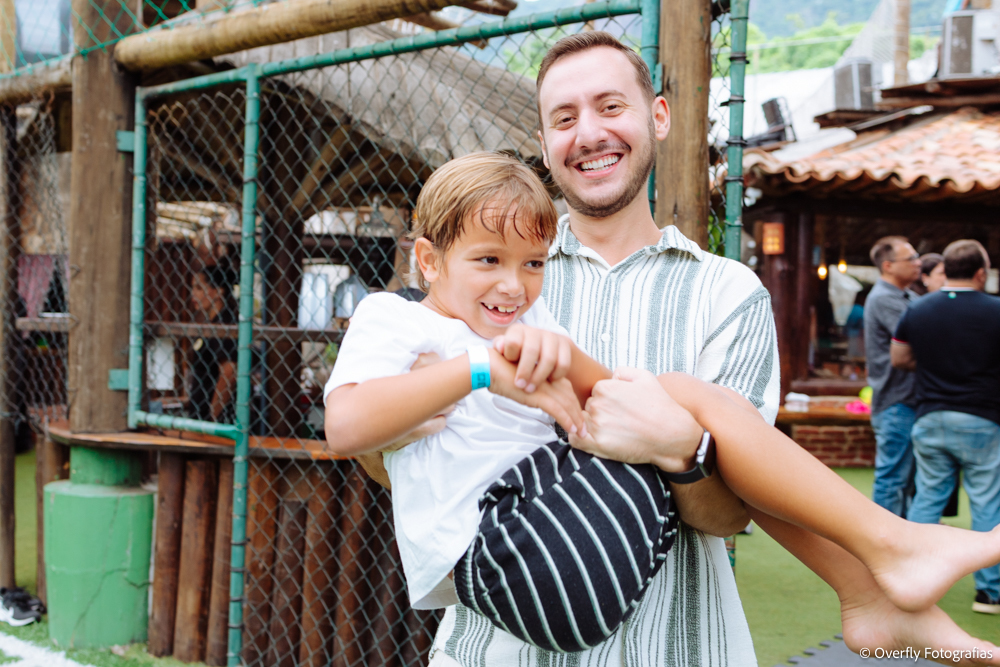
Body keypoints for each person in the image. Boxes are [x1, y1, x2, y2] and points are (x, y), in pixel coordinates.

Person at [352, 32, 1000, 667]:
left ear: (657, 116)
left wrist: (681, 451)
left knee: (689, 416)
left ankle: (873, 580)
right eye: (564, 117)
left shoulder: (728, 292)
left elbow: (728, 513)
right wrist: (415, 419)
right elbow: (378, 451)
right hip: (502, 632)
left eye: (611, 106)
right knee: (684, 401)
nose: (589, 133)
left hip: (677, 644)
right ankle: (882, 559)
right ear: (544, 144)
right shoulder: (488, 281)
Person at [892, 239, 1000, 616]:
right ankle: (989, 593)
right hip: (982, 420)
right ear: (980, 273)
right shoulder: (996, 311)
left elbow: (899, 357)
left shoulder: (917, 309)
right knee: (987, 502)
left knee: (927, 498)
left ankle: (913, 581)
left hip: (929, 416)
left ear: (946, 269)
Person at [863, 236, 921, 516]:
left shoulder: (907, 296)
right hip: (897, 400)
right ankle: (884, 546)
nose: (917, 262)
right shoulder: (885, 298)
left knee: (906, 480)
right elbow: (923, 336)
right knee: (893, 479)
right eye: (910, 258)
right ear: (888, 266)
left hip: (908, 399)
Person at [188, 264, 238, 423]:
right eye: (193, 288)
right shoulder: (211, 324)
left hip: (216, 421)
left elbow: (229, 372)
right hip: (201, 415)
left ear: (218, 291)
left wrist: (212, 415)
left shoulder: (224, 324)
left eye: (199, 288)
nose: (193, 294)